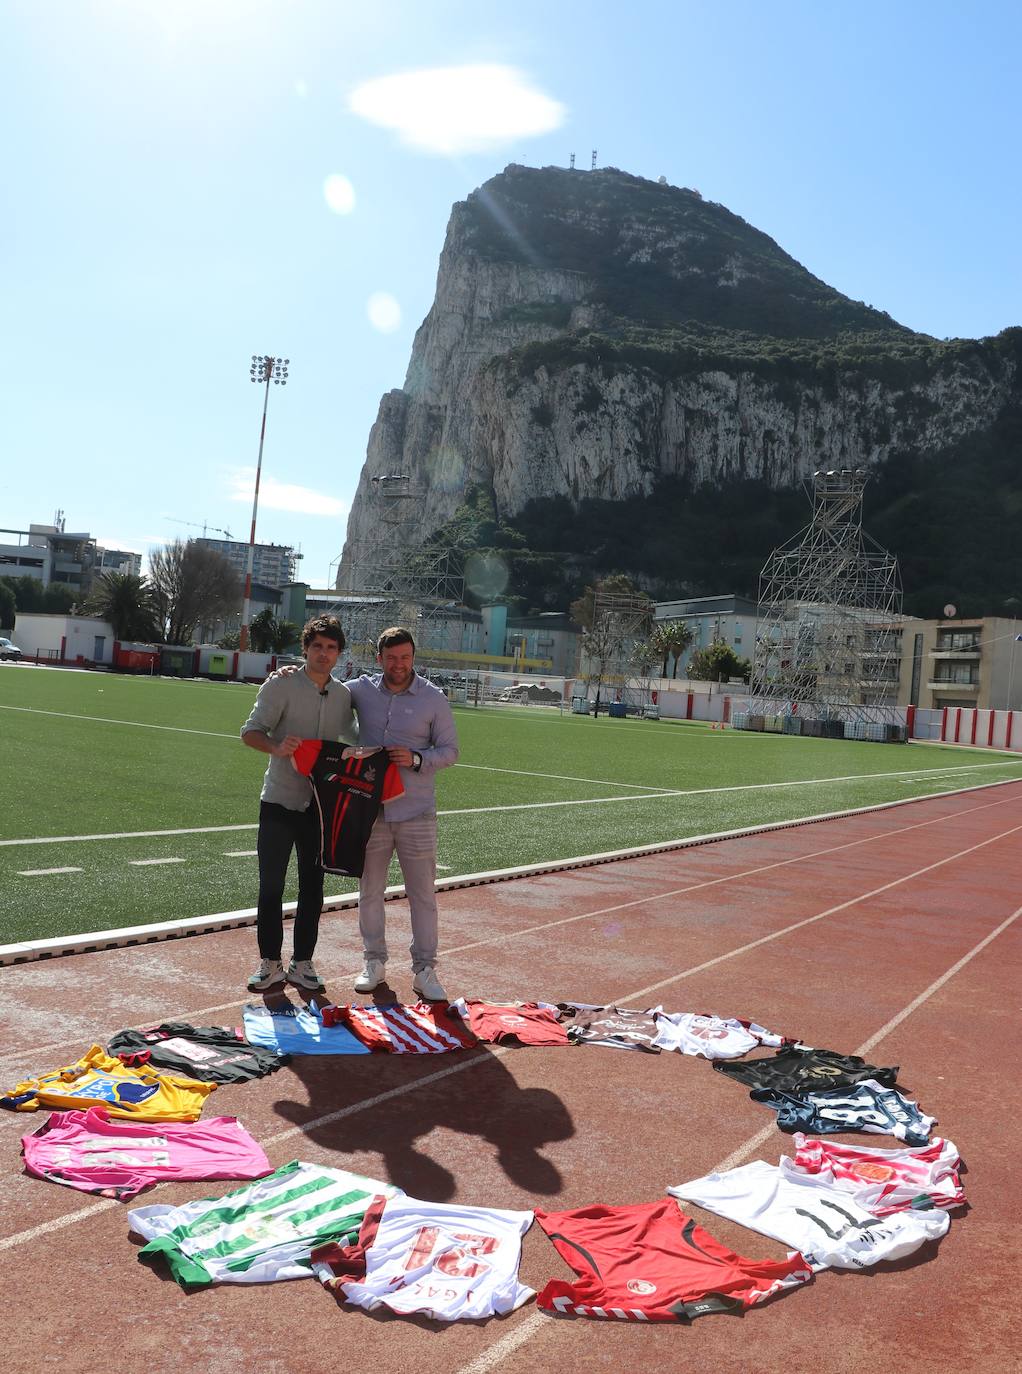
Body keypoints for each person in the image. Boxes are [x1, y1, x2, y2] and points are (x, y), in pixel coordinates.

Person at [240, 615, 356, 993]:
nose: (324, 654)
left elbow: (355, 738)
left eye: (331, 648)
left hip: (320, 807)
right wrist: (275, 746)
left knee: (313, 887)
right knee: (271, 885)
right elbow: (250, 731)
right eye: (317, 646)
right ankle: (269, 962)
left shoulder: (342, 696)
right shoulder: (282, 684)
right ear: (305, 648)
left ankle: (302, 962)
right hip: (278, 800)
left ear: (339, 654)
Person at [348, 627, 459, 1002]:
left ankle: (424, 970)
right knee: (369, 892)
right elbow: (323, 687)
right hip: (371, 812)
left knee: (423, 895)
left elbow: (450, 751)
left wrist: (416, 759)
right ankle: (373, 963)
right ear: (379, 658)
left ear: (414, 658)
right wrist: (289, 674)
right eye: (392, 658)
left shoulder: (433, 698)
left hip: (417, 813)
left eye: (405, 658)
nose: (399, 665)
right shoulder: (359, 690)